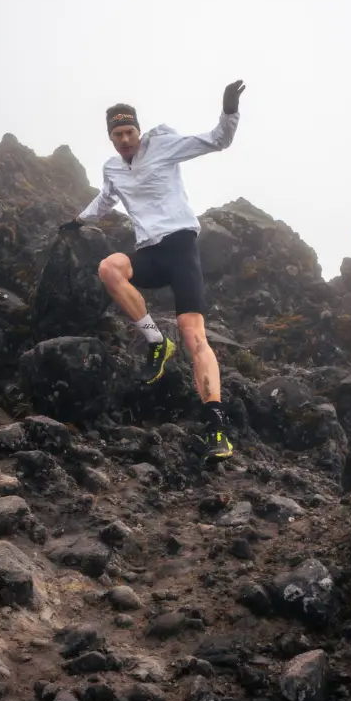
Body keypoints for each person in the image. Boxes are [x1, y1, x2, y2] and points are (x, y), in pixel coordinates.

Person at [59, 80, 245, 461]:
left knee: (195, 338)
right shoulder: (112, 167)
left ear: (138, 131)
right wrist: (78, 220)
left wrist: (229, 111)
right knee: (110, 268)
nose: (125, 139)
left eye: (129, 131)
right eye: (117, 134)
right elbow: (106, 199)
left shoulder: (162, 145)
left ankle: (217, 430)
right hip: (149, 252)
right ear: (110, 137)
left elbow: (217, 140)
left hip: (180, 250)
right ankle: (157, 342)